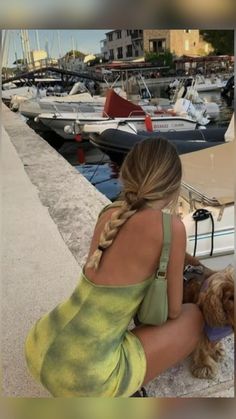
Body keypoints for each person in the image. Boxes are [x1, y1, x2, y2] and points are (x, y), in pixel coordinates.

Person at [25, 137, 204, 397]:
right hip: (85, 377)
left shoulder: (110, 214)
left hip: (39, 343)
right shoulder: (171, 229)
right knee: (194, 318)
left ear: (125, 174)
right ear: (172, 187)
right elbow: (173, 311)